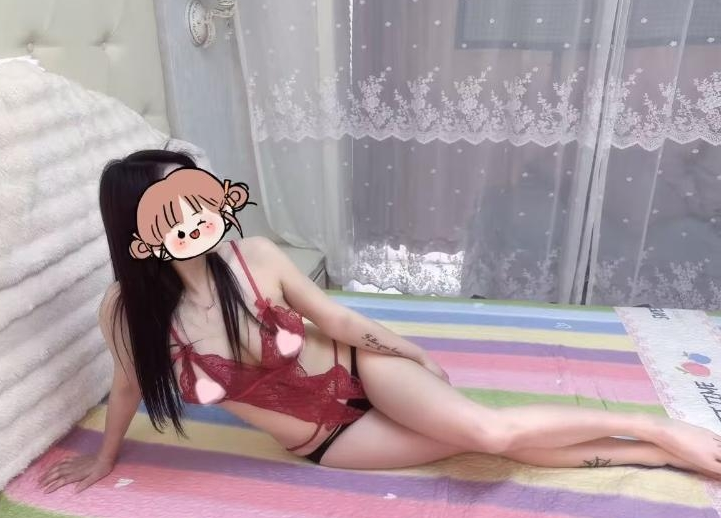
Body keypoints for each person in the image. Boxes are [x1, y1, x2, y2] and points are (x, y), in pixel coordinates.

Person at [39, 150, 721, 494]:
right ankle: (657, 455)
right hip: (325, 441)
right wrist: (104, 456)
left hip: (361, 367)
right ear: (141, 229)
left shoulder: (255, 257)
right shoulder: (126, 315)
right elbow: (127, 385)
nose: (200, 216)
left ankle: (659, 430)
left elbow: (335, 316)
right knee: (483, 450)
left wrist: (409, 352)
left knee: (487, 430)